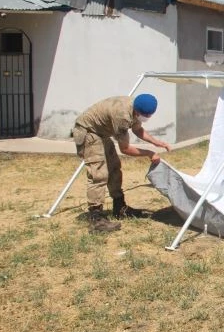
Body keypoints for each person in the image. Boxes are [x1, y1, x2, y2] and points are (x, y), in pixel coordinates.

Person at [72, 93, 172, 233]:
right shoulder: (122, 116)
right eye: (145, 115)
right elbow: (125, 149)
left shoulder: (135, 107)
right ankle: (96, 219)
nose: (146, 118)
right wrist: (149, 153)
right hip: (88, 132)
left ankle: (119, 207)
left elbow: (137, 129)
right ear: (137, 111)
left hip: (101, 133)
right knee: (99, 173)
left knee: (114, 168)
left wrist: (157, 143)